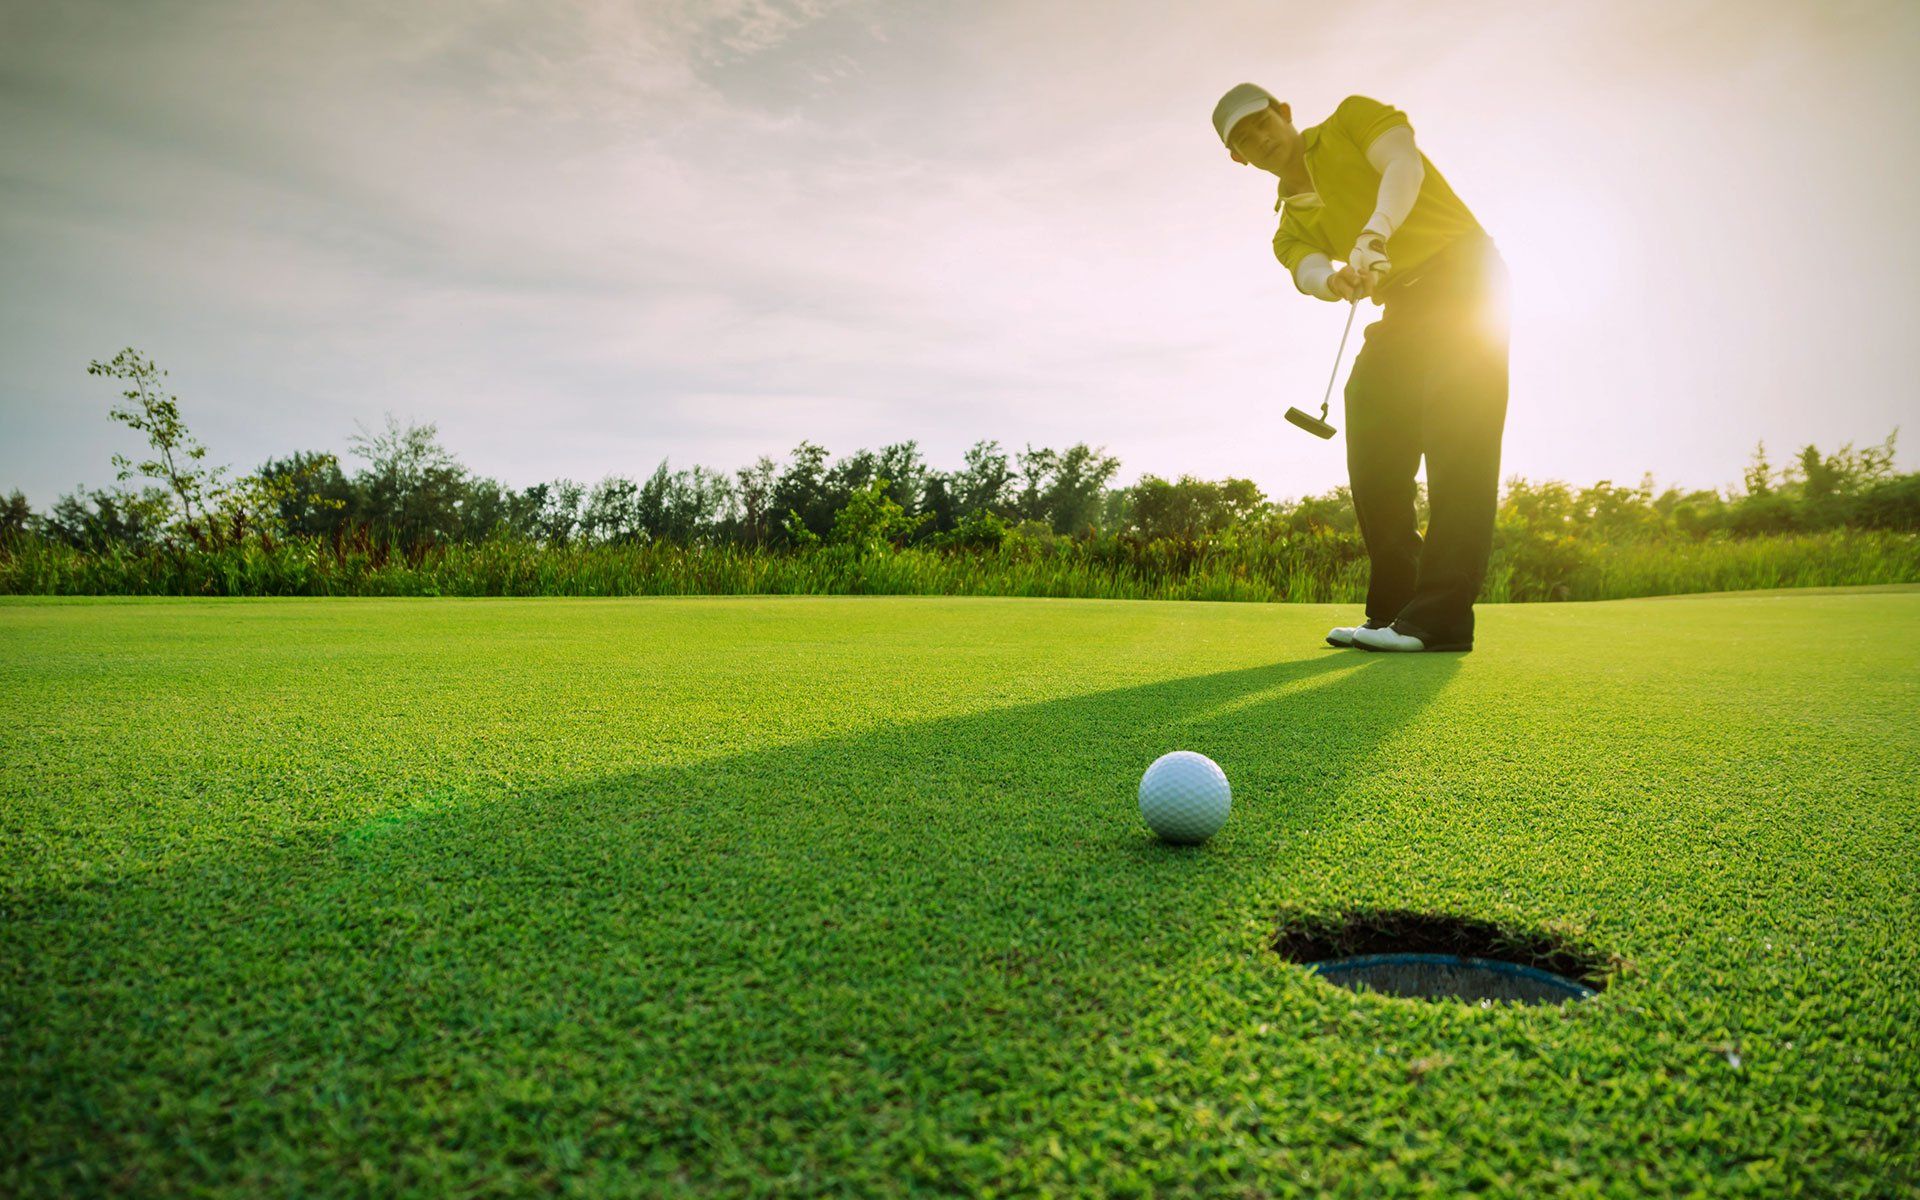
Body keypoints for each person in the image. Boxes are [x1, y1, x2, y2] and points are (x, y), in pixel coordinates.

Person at [1211, 83, 1511, 652]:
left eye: (1261, 122)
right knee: (1370, 424)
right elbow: (1306, 270)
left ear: (1285, 113)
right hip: (1402, 304)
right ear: (1238, 158)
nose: (1259, 138)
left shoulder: (1352, 118)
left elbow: (1403, 163)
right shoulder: (1288, 225)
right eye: (1244, 139)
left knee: (1458, 441)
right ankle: (1395, 609)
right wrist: (1336, 280)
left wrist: (1375, 232)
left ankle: (1441, 619)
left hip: (1466, 278)